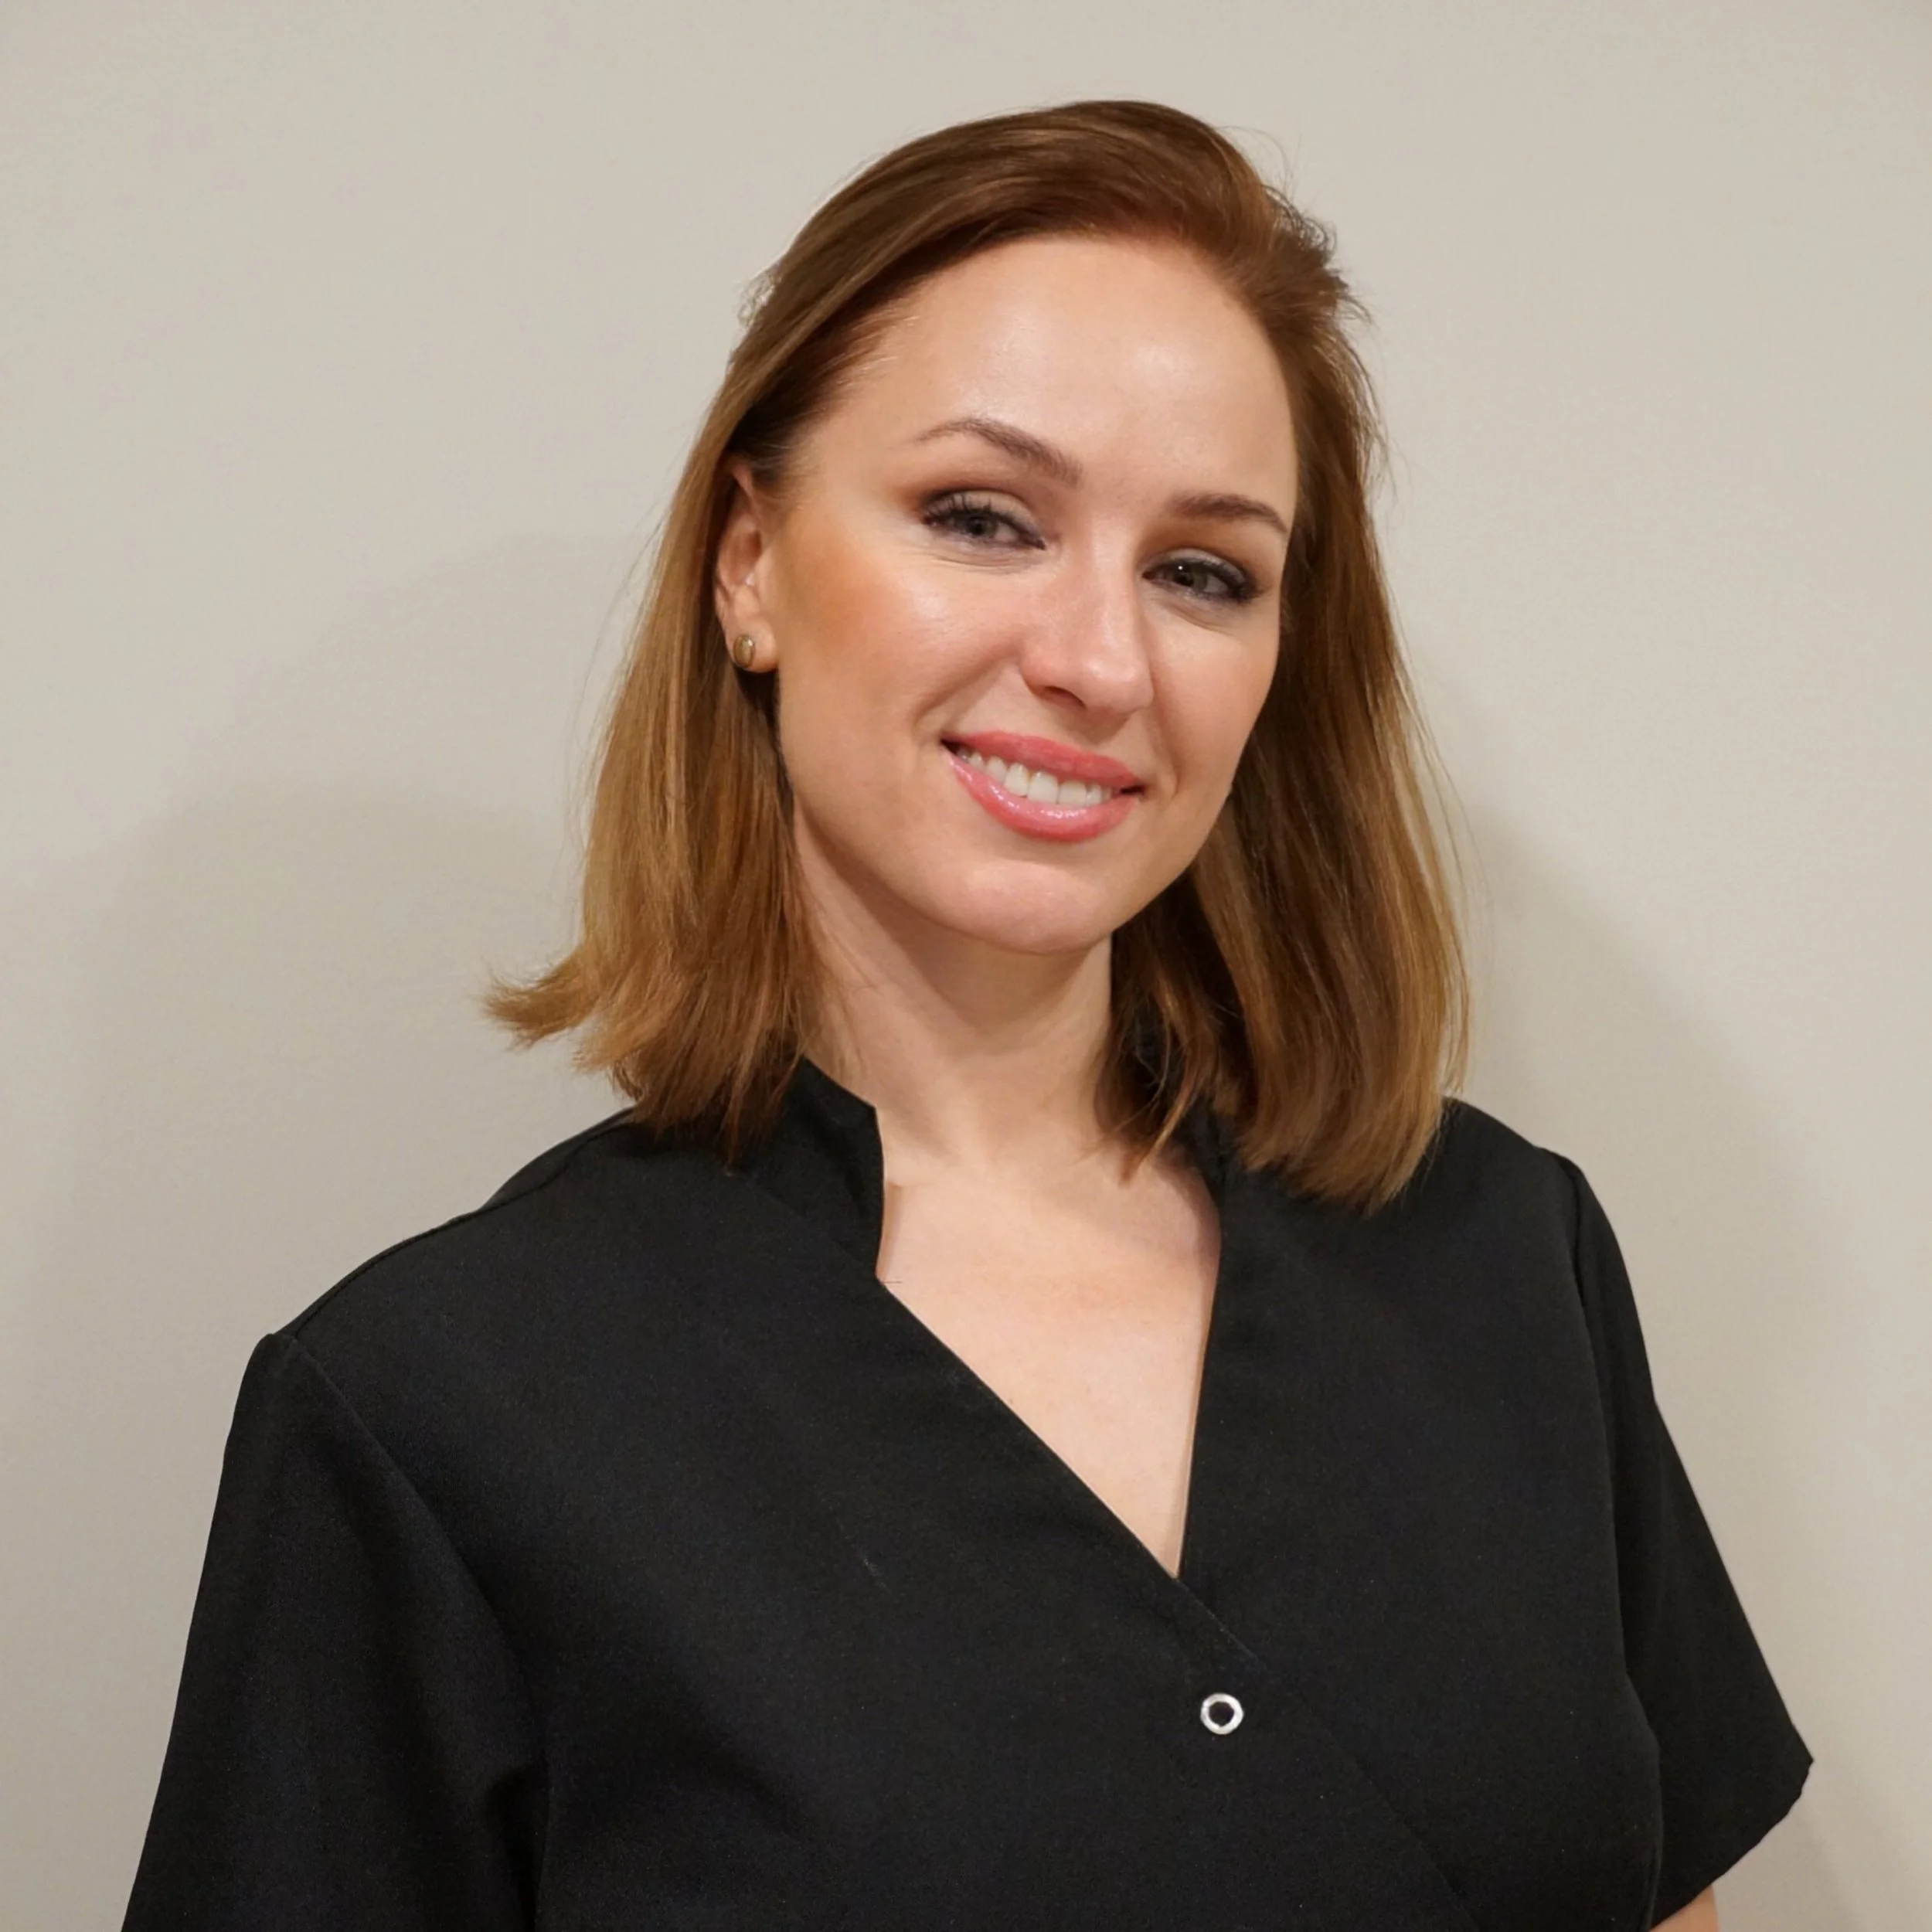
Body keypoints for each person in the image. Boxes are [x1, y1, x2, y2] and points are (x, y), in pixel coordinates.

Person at [121, 100, 1810, 1931]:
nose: (1096, 660)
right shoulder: (433, 1410)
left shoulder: (1502, 1260)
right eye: (981, 518)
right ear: (748, 563)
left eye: (1201, 570)